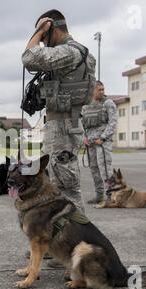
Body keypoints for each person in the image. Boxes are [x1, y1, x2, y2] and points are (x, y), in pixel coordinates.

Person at [22, 9, 96, 214]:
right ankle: (65, 237)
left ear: (52, 28)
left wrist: (38, 31)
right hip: (63, 125)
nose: (43, 43)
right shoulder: (74, 53)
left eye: (45, 38)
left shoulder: (70, 51)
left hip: (64, 126)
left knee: (67, 188)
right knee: (57, 184)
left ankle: (81, 236)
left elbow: (29, 57)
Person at [81, 81, 118, 204]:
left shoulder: (108, 103)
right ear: (92, 90)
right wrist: (84, 138)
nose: (102, 92)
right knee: (94, 170)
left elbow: (113, 123)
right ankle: (99, 195)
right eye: (99, 90)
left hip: (102, 143)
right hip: (90, 143)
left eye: (103, 89)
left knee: (106, 170)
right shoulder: (85, 105)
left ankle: (111, 196)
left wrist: (102, 137)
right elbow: (81, 124)